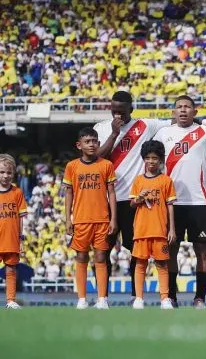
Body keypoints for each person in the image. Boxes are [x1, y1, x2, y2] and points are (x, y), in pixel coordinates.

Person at [154, 95, 206, 309]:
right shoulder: (163, 133)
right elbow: (151, 158)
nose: (183, 110)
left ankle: (200, 298)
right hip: (171, 202)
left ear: (194, 112)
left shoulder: (204, 132)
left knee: (202, 251)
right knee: (170, 249)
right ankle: (170, 297)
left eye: (188, 107)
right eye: (179, 107)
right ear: (173, 112)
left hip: (198, 200)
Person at [94, 90, 171, 297]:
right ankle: (103, 298)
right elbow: (97, 158)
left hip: (134, 200)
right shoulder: (101, 128)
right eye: (114, 111)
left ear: (132, 109)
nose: (117, 116)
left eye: (122, 112)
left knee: (136, 251)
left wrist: (205, 123)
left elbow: (173, 121)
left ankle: (135, 296)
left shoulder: (145, 125)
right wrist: (113, 133)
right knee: (102, 251)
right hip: (107, 200)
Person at [62, 127, 118, 309]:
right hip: (80, 219)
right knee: (81, 257)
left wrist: (113, 219)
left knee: (101, 257)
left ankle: (102, 299)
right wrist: (68, 219)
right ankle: (82, 299)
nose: (92, 144)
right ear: (79, 145)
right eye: (87, 142)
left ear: (99, 143)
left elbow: (111, 193)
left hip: (102, 219)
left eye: (94, 141)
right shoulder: (72, 166)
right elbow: (68, 193)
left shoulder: (106, 165)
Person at [129, 140, 177, 310]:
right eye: (148, 158)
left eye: (155, 158)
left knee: (162, 265)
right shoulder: (138, 181)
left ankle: (165, 299)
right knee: (140, 264)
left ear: (161, 160)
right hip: (142, 230)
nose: (151, 161)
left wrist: (171, 229)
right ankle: (139, 299)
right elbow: (132, 204)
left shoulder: (166, 181)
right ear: (143, 159)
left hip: (159, 230)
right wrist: (139, 198)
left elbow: (170, 205)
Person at [0, 153, 27, 309]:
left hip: (11, 239)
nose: (5, 176)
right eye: (2, 172)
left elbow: (21, 218)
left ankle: (10, 301)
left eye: (9, 172)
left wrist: (21, 240)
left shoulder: (17, 193)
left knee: (11, 270)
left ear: (13, 173)